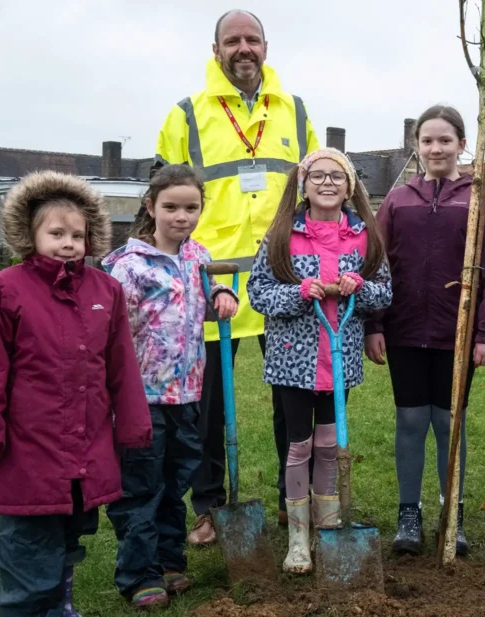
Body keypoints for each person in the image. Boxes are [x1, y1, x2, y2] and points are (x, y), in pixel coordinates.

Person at [153, 9, 320, 543]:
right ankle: (207, 508)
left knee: (292, 396)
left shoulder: (295, 111)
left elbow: (319, 186)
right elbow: (161, 198)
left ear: (266, 47)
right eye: (233, 41)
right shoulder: (186, 114)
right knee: (206, 407)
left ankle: (292, 498)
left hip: (282, 280)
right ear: (216, 48)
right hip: (211, 282)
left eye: (252, 39)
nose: (243, 48)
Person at [0, 171, 152, 616]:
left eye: (78, 235)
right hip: (29, 445)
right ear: (30, 234)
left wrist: (135, 426)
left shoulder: (106, 290)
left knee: (69, 532)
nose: (68, 243)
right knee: (30, 540)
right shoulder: (8, 288)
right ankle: (29, 608)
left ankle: (59, 603)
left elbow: (122, 364)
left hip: (86, 444)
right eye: (57, 233)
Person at [364, 105, 485, 557]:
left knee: (450, 422)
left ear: (462, 145)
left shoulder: (481, 200)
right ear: (417, 147)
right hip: (405, 328)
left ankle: (454, 512)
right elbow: (377, 264)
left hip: (459, 330)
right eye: (428, 140)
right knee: (410, 420)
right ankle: (409, 513)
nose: (436, 148)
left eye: (445, 140)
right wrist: (374, 323)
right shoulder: (398, 200)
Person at [247, 148, 392, 574]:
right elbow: (259, 293)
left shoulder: (365, 237)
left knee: (328, 445)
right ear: (303, 185)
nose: (327, 183)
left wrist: (357, 287)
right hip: (293, 362)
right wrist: (298, 293)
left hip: (339, 359)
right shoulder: (281, 238)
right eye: (318, 176)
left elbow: (384, 292)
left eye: (337, 176)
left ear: (350, 188)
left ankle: (327, 526)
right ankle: (297, 536)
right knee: (299, 445)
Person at [102, 165, 238, 609]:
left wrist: (222, 293)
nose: (182, 216)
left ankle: (170, 561)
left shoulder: (197, 254)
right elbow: (112, 330)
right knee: (141, 485)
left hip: (187, 394)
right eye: (171, 207)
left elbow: (208, 287)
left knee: (176, 480)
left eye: (191, 208)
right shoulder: (130, 266)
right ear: (151, 207)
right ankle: (139, 573)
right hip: (142, 398)